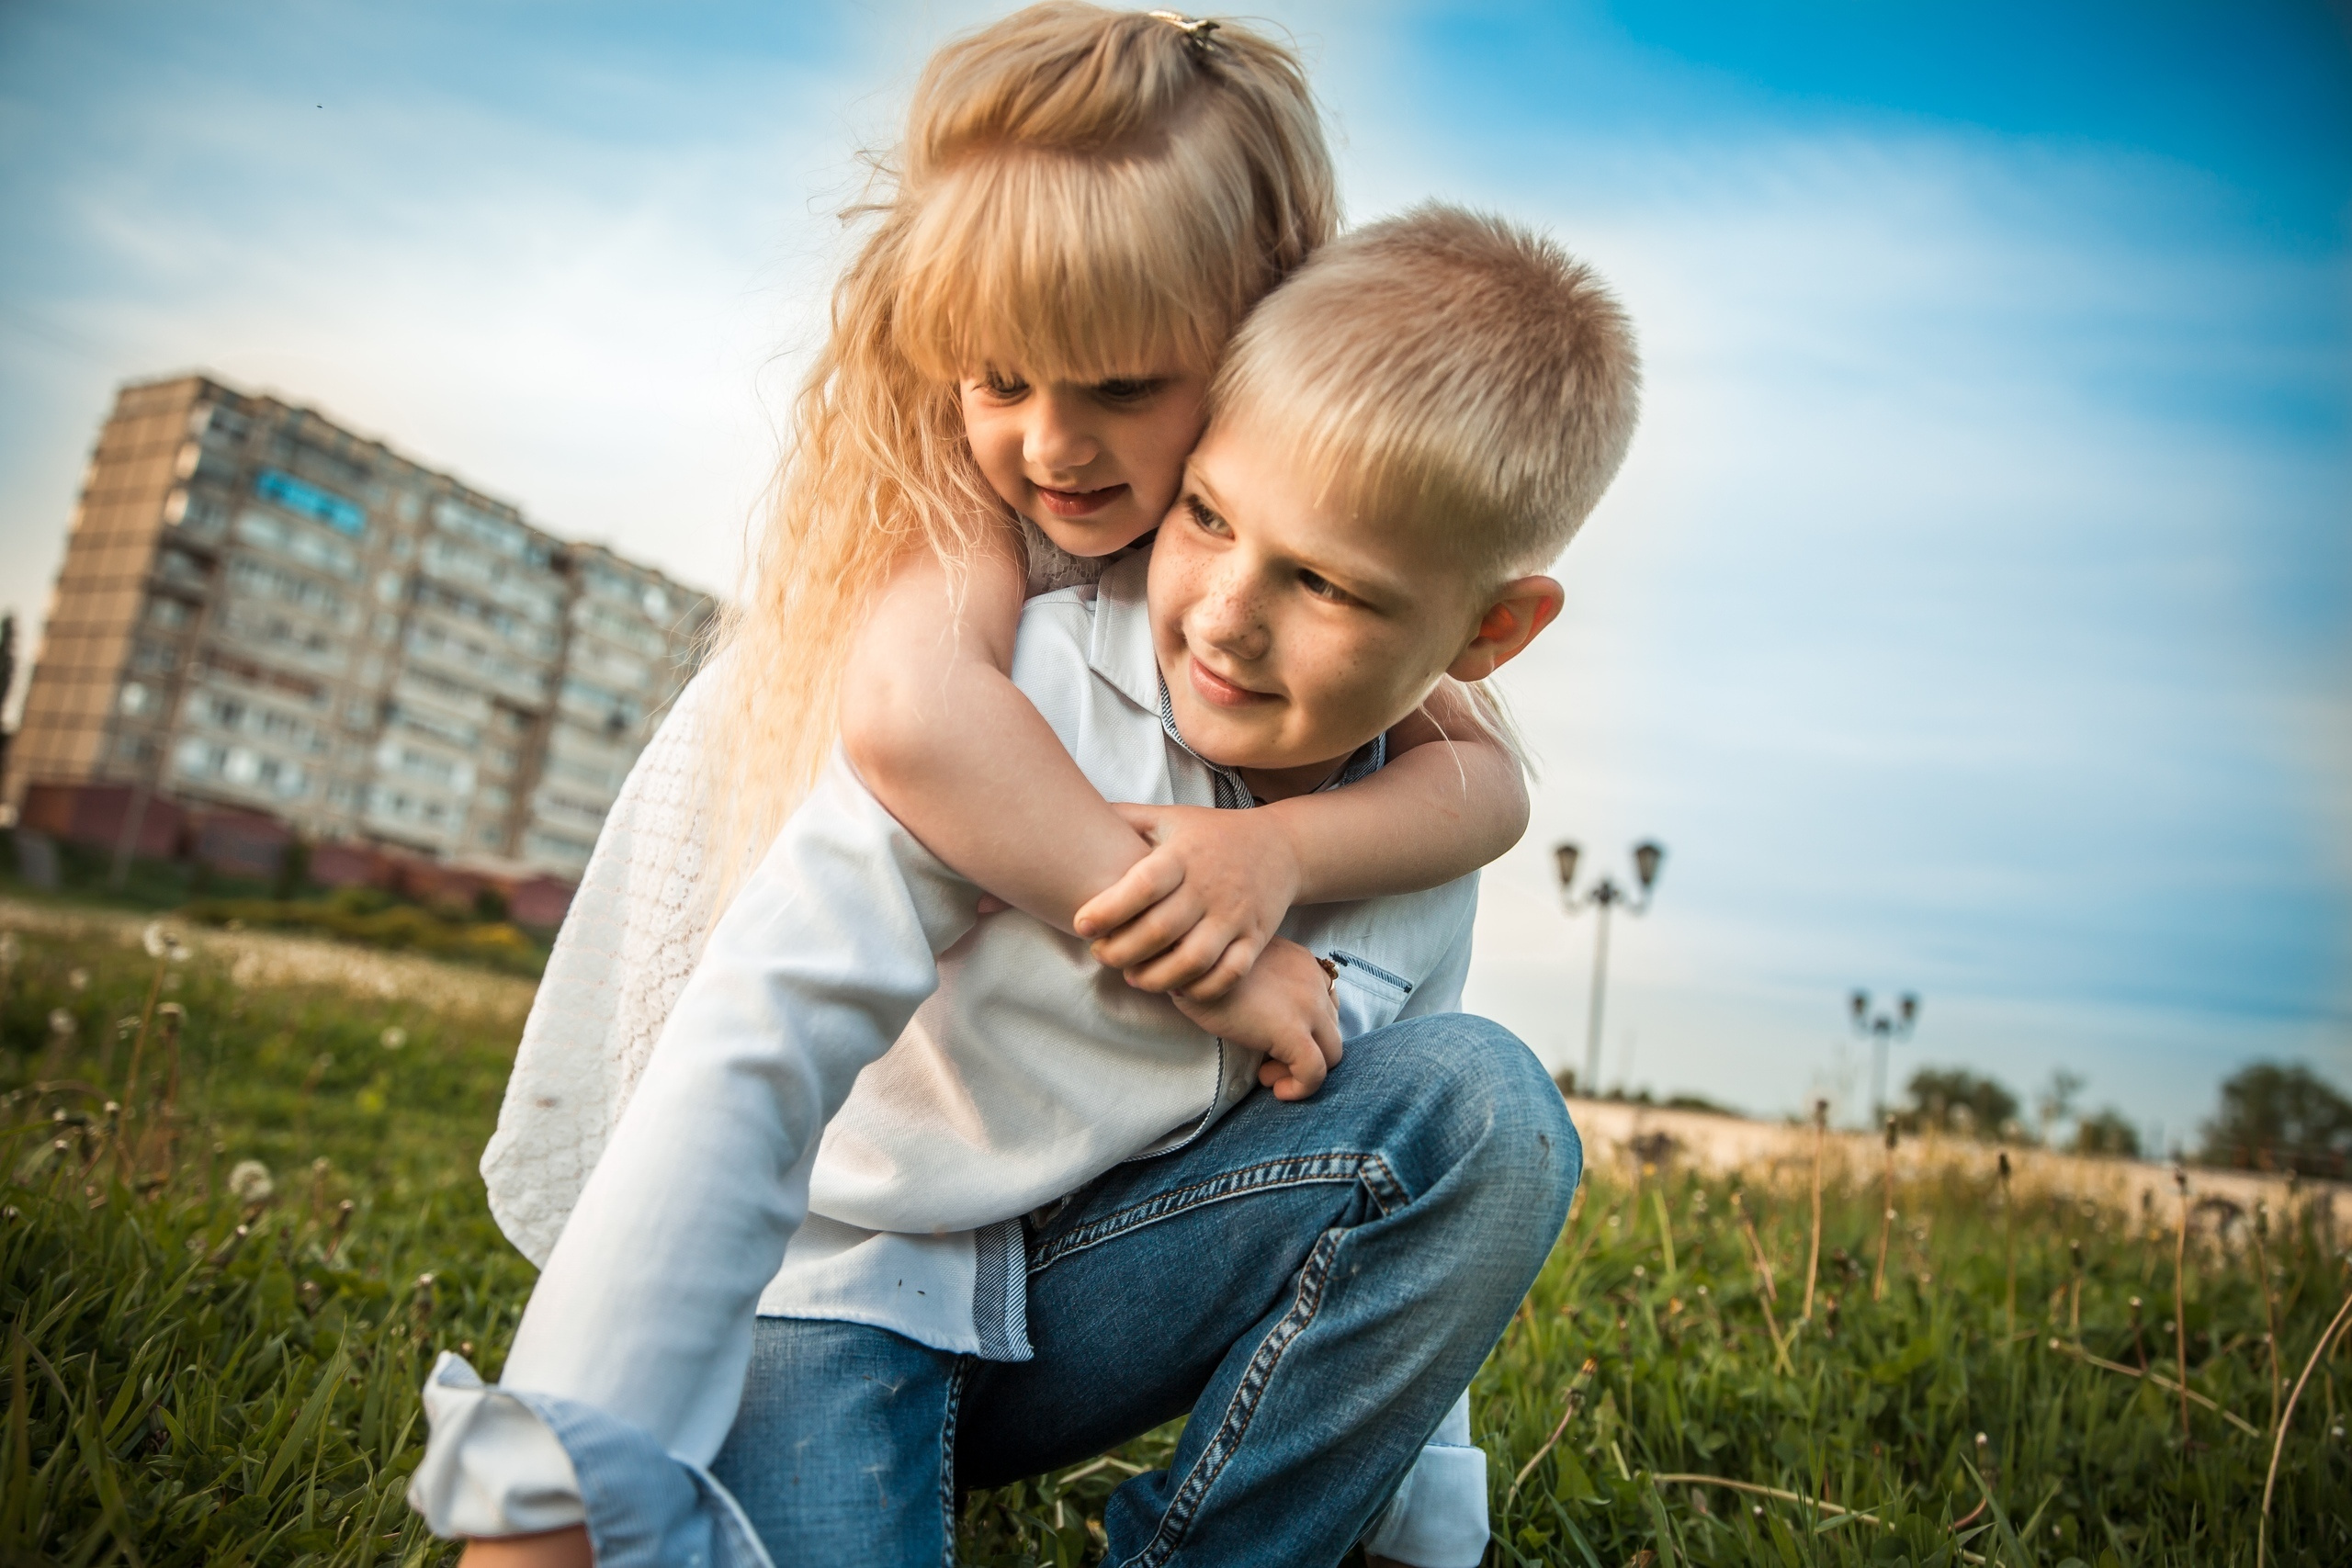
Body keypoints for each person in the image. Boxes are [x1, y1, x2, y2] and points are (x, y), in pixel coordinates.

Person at [411, 205, 1641, 1568]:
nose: (1227, 613)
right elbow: (765, 1018)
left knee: (1485, 1103)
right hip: (828, 1288)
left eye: (1326, 585)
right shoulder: (1026, 701)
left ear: (1492, 631)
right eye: (1209, 517)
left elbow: (1416, 1216)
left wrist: (1423, 1535)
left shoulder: (1411, 847)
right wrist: (565, 1462)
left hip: (1075, 1310)